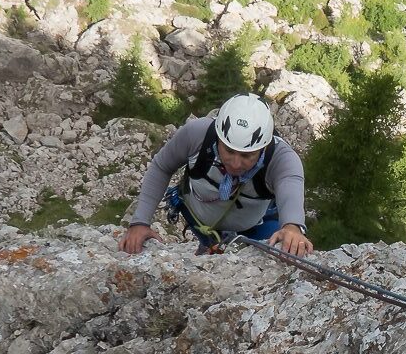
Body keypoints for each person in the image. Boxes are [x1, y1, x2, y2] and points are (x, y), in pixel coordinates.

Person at [118, 94, 314, 258]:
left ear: (263, 147)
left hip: (256, 229)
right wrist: (140, 222)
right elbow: (161, 167)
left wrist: (292, 227)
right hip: (198, 220)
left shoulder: (282, 159)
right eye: (229, 150)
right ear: (219, 137)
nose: (236, 163)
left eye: (247, 155)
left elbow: (291, 190)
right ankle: (208, 246)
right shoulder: (197, 135)